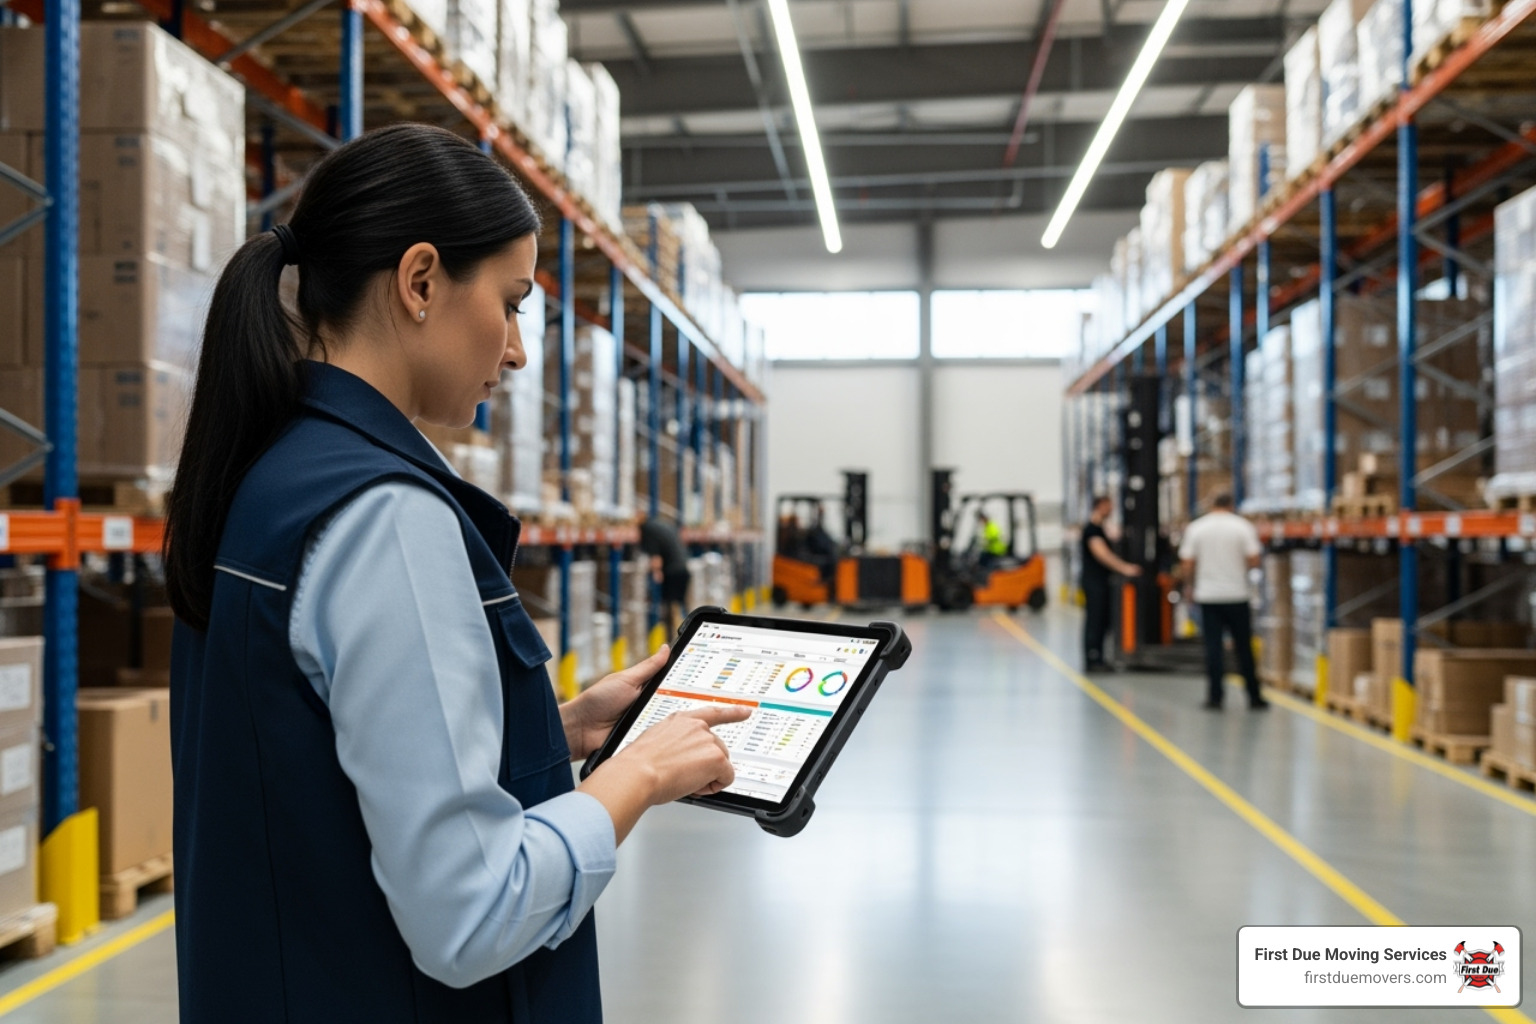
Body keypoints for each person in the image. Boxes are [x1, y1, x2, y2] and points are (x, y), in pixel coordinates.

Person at [164, 124, 751, 1023]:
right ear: (421, 282)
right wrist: (635, 779)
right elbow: (472, 913)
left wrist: (557, 732)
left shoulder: (270, 474)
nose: (517, 351)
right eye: (511, 304)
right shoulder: (388, 518)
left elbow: (314, 759)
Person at [1178, 492, 1268, 711]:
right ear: (1231, 505)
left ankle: (1215, 697)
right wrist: (1238, 568)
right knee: (1243, 647)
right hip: (1237, 595)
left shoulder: (1196, 528)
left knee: (1213, 647)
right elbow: (1255, 559)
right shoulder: (1242, 527)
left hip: (1208, 596)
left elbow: (1187, 563)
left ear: (1212, 505)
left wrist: (1189, 586)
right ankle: (1254, 696)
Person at [1080, 495, 1142, 671]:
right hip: (1094, 583)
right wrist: (1125, 568)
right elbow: (1102, 554)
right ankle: (1093, 658)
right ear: (1100, 506)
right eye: (1109, 506)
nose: (1112, 509)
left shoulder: (1101, 528)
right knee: (1095, 620)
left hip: (1101, 582)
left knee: (1103, 620)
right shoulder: (1092, 530)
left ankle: (1099, 657)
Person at [640, 515, 691, 635]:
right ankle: (687, 633)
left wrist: (656, 572)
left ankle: (677, 636)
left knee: (672, 607)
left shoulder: (648, 530)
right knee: (681, 605)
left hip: (672, 572)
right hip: (683, 569)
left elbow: (656, 559)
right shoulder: (661, 525)